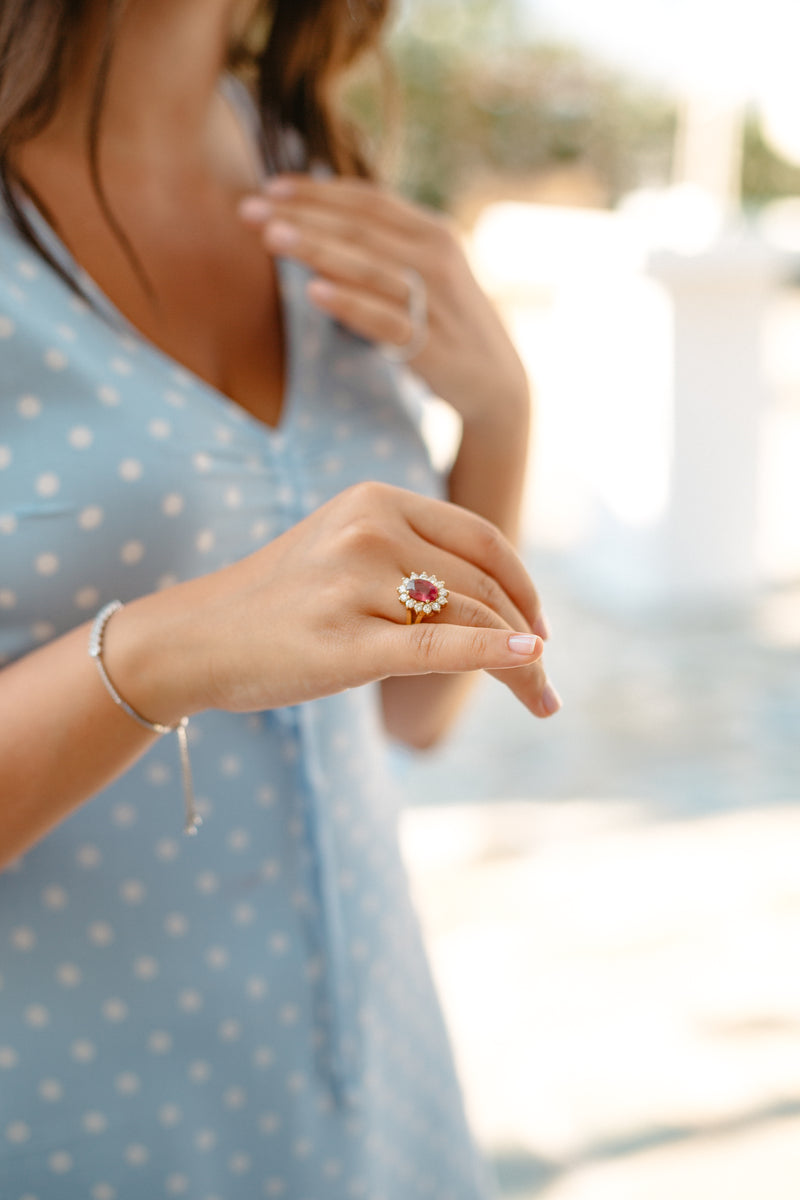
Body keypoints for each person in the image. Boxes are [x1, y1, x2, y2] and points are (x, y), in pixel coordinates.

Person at [0, 0, 561, 1196]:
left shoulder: (308, 167)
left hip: (374, 1099)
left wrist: (497, 419)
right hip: (80, 1126)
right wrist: (154, 654)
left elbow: (412, 716)